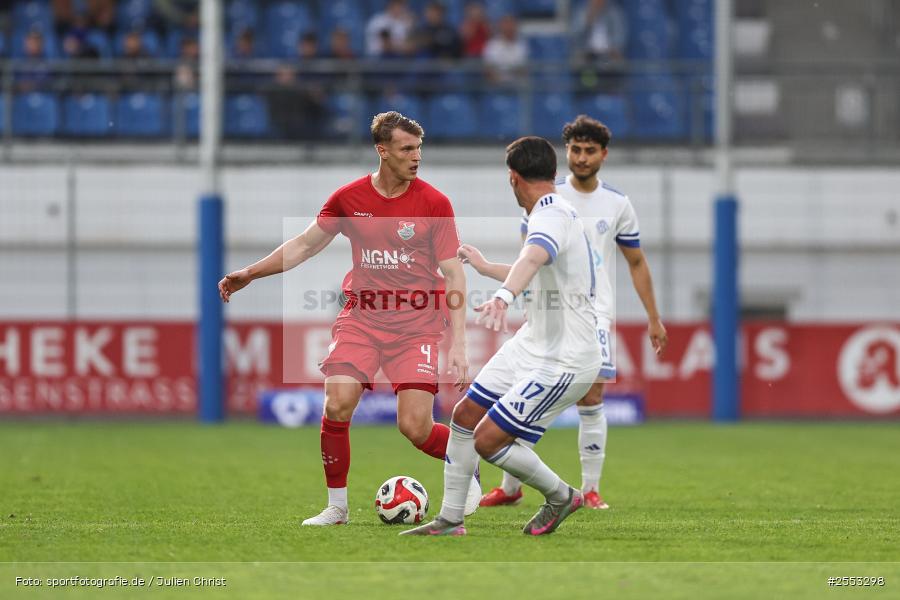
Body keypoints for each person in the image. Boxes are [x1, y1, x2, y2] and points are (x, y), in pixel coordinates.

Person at [218, 112, 480, 526]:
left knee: (414, 426)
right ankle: (337, 508)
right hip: (362, 319)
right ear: (382, 150)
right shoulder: (350, 198)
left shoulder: (434, 203)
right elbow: (304, 246)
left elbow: (453, 273)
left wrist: (461, 344)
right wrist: (250, 272)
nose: (416, 157)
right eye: (406, 149)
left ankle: (470, 465)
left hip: (417, 326)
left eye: (419, 149)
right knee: (337, 403)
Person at [402, 136, 603, 536]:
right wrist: (488, 267)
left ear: (513, 178)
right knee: (463, 417)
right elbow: (536, 269)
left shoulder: (550, 216)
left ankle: (562, 495)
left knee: (487, 440)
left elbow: (532, 258)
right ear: (554, 172)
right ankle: (450, 519)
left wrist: (502, 295)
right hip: (533, 342)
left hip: (565, 357)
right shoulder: (549, 213)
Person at [469, 115, 668, 510]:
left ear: (603, 155)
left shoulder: (617, 204)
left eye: (589, 151)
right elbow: (530, 257)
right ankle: (511, 488)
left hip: (592, 315)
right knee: (524, 388)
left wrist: (654, 317)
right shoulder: (545, 196)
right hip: (546, 313)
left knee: (591, 396)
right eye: (575, 150)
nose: (581, 157)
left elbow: (636, 262)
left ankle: (590, 488)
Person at [482, 14, 527, 85]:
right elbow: (489, 69)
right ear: (500, 26)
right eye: (506, 24)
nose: (509, 27)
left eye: (511, 24)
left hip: (516, 85)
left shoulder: (522, 45)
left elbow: (522, 70)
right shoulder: (492, 45)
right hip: (496, 85)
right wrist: (501, 81)